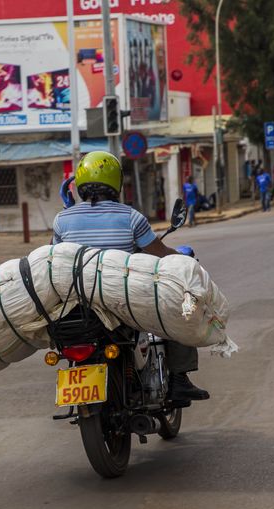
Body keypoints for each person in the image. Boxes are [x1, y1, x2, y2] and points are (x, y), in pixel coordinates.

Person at [52, 151, 209, 407]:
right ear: (116, 182)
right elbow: (160, 253)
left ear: (79, 183)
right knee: (175, 310)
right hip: (123, 301)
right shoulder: (131, 217)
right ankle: (179, 379)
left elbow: (54, 259)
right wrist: (184, 260)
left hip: (77, 305)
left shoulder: (62, 220)